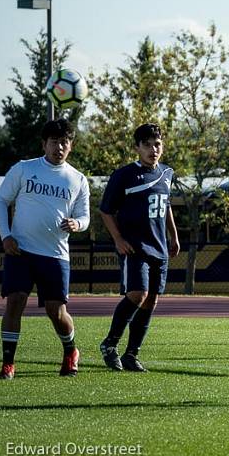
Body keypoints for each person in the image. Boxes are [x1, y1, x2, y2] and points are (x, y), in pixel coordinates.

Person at [0, 118, 90, 380]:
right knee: (15, 302)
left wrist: (77, 223)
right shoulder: (24, 169)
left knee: (55, 311)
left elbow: (85, 218)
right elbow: (0, 199)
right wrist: (6, 236)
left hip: (55, 254)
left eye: (65, 142)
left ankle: (71, 351)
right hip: (21, 251)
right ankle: (8, 364)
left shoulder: (77, 179)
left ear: (70, 146)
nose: (59, 147)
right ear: (44, 144)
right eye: (54, 142)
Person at [98, 123, 180, 373]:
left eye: (157, 144)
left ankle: (131, 354)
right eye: (147, 145)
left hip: (160, 247)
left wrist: (174, 237)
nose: (153, 150)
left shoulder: (167, 173)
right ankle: (109, 345)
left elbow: (165, 206)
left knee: (151, 301)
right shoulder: (124, 175)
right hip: (135, 247)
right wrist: (118, 239)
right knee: (137, 294)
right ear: (137, 148)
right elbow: (106, 210)